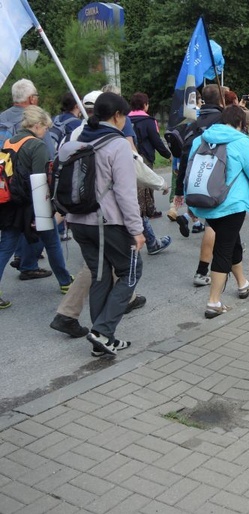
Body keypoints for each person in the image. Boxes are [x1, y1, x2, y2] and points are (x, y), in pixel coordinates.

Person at [65, 92, 145, 357]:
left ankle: (101, 340)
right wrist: (137, 230)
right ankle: (103, 331)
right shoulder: (117, 144)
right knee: (131, 269)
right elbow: (125, 192)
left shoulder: (76, 138)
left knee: (100, 274)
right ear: (118, 116)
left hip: (77, 220)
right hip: (106, 222)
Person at [185, 105, 249, 318]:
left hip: (205, 201)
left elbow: (189, 171)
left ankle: (242, 284)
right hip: (231, 205)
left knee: (232, 241)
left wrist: (189, 202)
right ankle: (214, 302)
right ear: (241, 123)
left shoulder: (201, 140)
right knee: (224, 248)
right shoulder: (241, 142)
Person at [0, 106, 74, 309]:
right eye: (45, 128)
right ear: (36, 125)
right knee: (52, 243)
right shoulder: (37, 146)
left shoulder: (10, 141)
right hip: (32, 205)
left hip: (11, 204)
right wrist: (43, 212)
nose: (46, 132)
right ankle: (65, 282)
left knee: (5, 247)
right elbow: (40, 181)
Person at [174, 84, 225, 286]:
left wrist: (180, 189)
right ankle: (202, 271)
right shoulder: (222, 120)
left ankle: (235, 260)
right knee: (213, 224)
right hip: (216, 180)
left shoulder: (192, 122)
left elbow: (185, 156)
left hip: (194, 178)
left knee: (224, 227)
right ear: (221, 99)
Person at [128, 92, 172, 255]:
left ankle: (146, 212)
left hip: (127, 159)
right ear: (145, 105)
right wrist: (168, 155)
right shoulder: (149, 121)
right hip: (144, 158)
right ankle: (148, 212)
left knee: (136, 191)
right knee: (146, 187)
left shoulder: (125, 120)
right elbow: (156, 140)